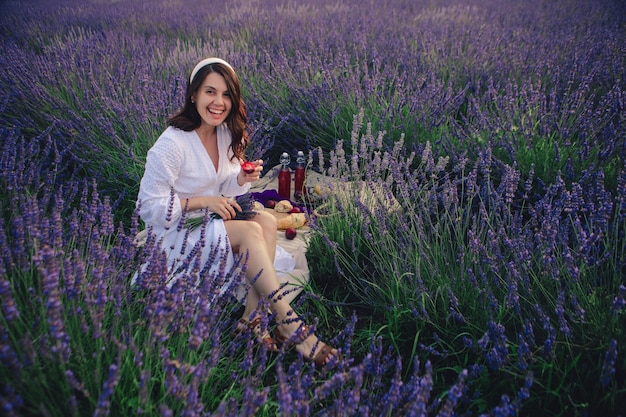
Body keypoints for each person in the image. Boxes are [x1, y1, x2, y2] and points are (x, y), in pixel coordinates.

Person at [136, 57, 339, 368]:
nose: (219, 102)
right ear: (193, 95)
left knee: (267, 223)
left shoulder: (224, 133)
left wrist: (241, 180)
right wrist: (202, 201)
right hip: (177, 234)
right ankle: (289, 323)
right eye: (210, 92)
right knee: (250, 231)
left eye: (227, 94)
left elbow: (226, 188)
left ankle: (251, 317)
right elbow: (147, 209)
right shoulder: (171, 144)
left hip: (210, 223)